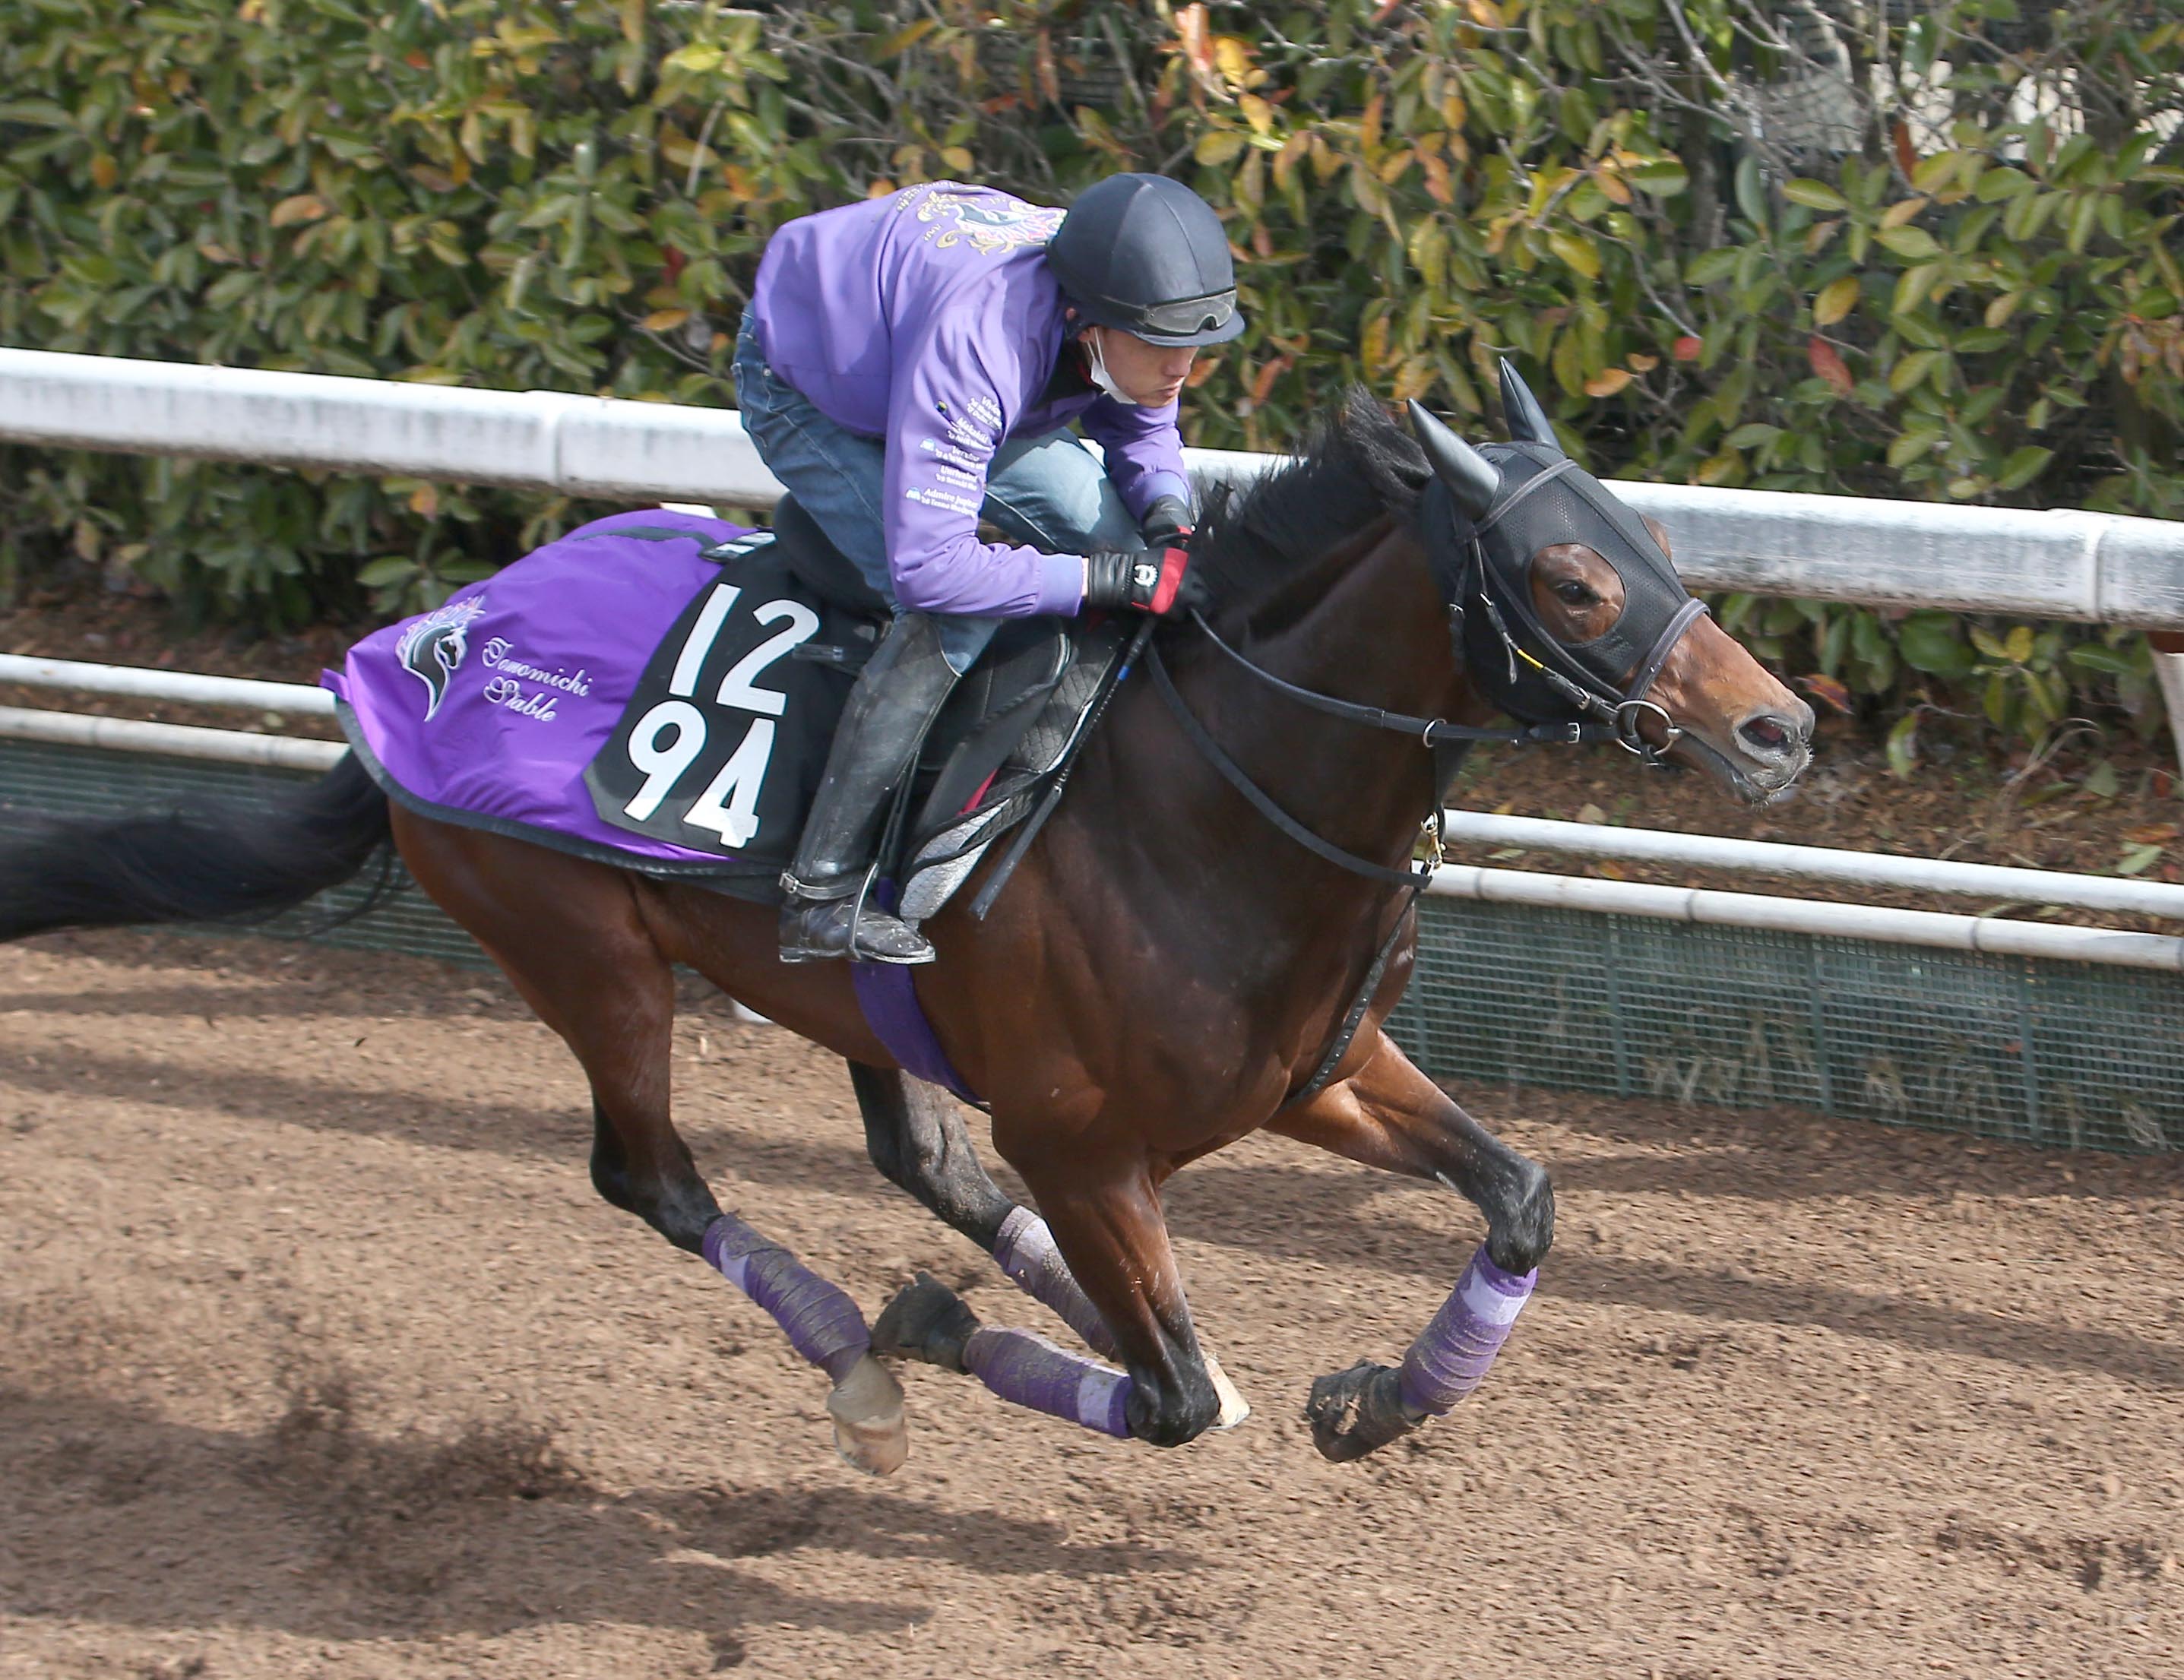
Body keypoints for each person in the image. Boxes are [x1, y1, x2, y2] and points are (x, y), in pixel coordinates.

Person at [733, 172, 1245, 965]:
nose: (1181, 367)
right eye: (1163, 345)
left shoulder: (1124, 308)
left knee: (1118, 538)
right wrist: (1106, 582)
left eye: (1195, 346)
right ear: (1089, 326)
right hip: (812, 390)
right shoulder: (983, 345)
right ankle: (821, 892)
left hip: (936, 359)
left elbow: (1144, 432)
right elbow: (931, 570)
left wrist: (1166, 519)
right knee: (960, 614)